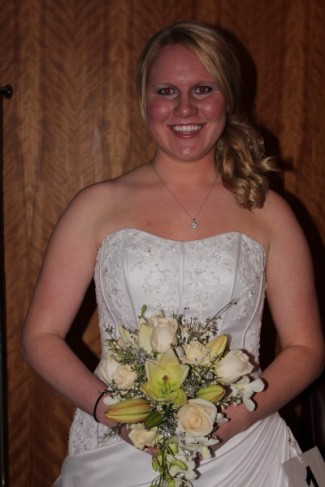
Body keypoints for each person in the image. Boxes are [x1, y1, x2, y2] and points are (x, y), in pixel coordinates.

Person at [21, 20, 324, 486]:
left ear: (228, 98)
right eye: (167, 90)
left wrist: (233, 422)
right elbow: (40, 336)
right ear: (144, 101)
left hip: (247, 450)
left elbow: (306, 348)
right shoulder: (95, 206)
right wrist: (115, 413)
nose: (185, 107)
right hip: (118, 446)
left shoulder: (269, 212)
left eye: (203, 88)